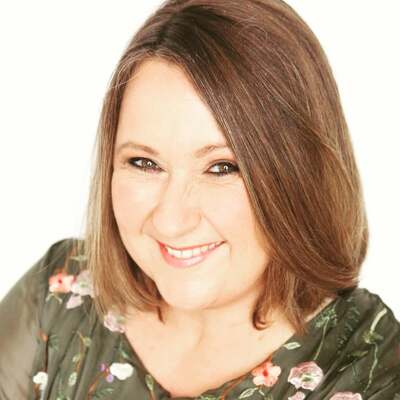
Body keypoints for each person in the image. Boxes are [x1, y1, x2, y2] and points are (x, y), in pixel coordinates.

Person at [1, 0, 399, 399]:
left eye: (222, 167)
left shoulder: (370, 370)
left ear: (300, 172)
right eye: (144, 162)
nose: (171, 220)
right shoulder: (60, 295)